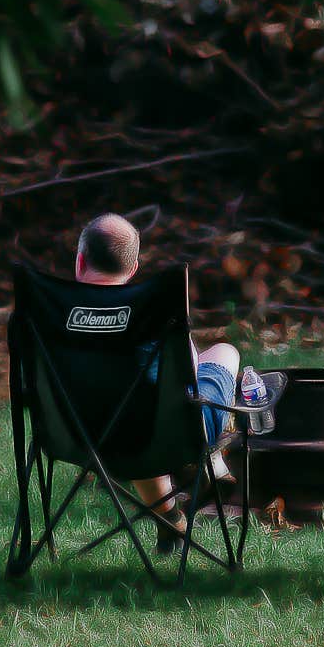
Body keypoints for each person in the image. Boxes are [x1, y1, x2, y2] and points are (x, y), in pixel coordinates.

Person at [74, 213, 279, 551]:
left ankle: (170, 516)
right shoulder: (150, 313)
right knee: (224, 353)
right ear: (134, 268)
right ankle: (211, 463)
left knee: (133, 408)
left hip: (78, 435)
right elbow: (191, 374)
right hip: (165, 436)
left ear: (80, 261)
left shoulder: (50, 314)